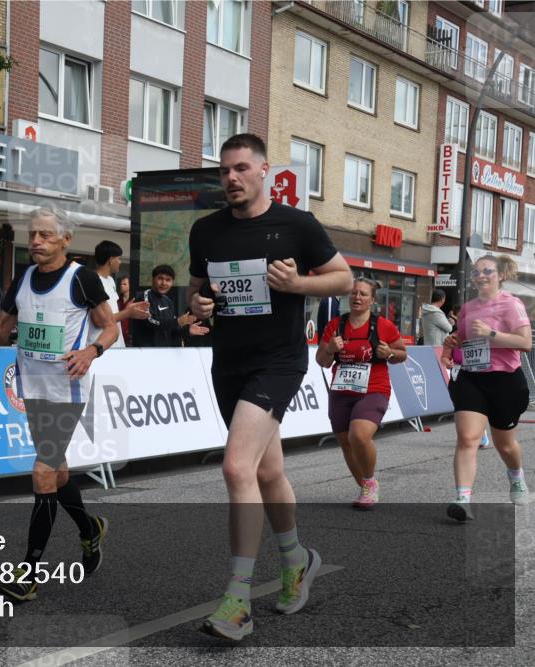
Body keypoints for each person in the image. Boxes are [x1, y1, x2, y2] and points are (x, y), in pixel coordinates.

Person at [188, 133, 353, 641]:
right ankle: (296, 560)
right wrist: (199, 305)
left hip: (279, 362)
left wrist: (298, 285)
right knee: (267, 470)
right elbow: (197, 291)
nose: (231, 178)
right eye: (224, 170)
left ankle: (237, 601)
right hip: (228, 363)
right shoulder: (206, 230)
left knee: (237, 466)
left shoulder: (296, 225)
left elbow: (343, 279)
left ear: (264, 170)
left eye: (241, 168)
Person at [0, 206, 118, 602]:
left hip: (67, 390)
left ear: (65, 240)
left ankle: (29, 573)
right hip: (33, 389)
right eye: (32, 234)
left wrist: (91, 351)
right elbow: (0, 335)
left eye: (45, 235)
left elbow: (110, 326)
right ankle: (90, 529)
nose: (36, 241)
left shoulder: (81, 279)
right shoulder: (23, 279)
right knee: (58, 474)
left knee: (42, 472)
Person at [440, 255, 531, 521]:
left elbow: (525, 343)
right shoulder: (468, 308)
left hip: (505, 380)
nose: (480, 276)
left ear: (500, 275)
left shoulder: (511, 304)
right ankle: (463, 499)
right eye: (476, 272)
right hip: (472, 377)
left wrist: (492, 334)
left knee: (505, 445)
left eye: (487, 271)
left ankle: (516, 477)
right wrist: (450, 345)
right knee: (468, 438)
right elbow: (462, 339)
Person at [315, 278, 406, 509]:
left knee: (359, 435)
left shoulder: (383, 325)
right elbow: (322, 361)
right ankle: (366, 486)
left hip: (374, 387)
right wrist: (330, 349)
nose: (357, 297)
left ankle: (369, 480)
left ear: (372, 300)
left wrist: (389, 353)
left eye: (363, 294)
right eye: (354, 293)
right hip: (341, 389)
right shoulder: (335, 325)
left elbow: (402, 355)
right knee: (345, 441)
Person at [129, 265, 201, 347]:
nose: (164, 283)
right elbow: (150, 321)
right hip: (145, 351)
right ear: (152, 279)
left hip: (165, 351)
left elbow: (171, 329)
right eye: (160, 278)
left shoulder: (168, 301)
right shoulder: (144, 297)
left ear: (172, 282)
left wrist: (187, 331)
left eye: (168, 280)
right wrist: (177, 322)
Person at [93, 241, 148, 348]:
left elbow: (112, 314)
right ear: (111, 260)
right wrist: (127, 313)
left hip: (116, 345)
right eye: (119, 258)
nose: (120, 262)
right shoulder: (94, 280)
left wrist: (127, 310)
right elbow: (99, 321)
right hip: (101, 347)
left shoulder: (110, 280)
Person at [116, 272, 134, 345]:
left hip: (131, 338)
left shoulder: (135, 301)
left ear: (130, 285)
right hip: (118, 336)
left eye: (124, 284)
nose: (121, 286)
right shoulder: (117, 301)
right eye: (121, 284)